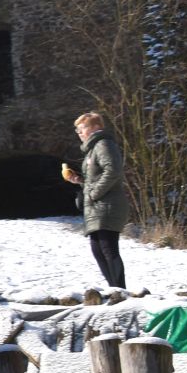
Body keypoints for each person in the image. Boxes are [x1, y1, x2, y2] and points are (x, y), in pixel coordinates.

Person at [62, 112, 129, 289]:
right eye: (77, 129)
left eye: (81, 128)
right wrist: (78, 181)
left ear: (95, 127)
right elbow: (95, 179)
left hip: (107, 205)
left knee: (107, 249)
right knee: (98, 249)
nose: (79, 132)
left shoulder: (103, 144)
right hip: (97, 206)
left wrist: (93, 194)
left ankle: (120, 290)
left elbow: (113, 171)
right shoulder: (92, 149)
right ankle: (114, 288)